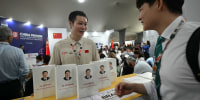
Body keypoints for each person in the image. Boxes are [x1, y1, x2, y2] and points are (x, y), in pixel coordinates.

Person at [115, 0, 200, 100]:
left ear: (159, 4)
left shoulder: (196, 39)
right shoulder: (162, 42)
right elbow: (160, 85)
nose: (139, 17)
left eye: (141, 9)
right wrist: (134, 87)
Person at [0, 26, 29, 99]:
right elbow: (25, 71)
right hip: (13, 88)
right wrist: (19, 82)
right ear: (9, 37)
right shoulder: (18, 51)